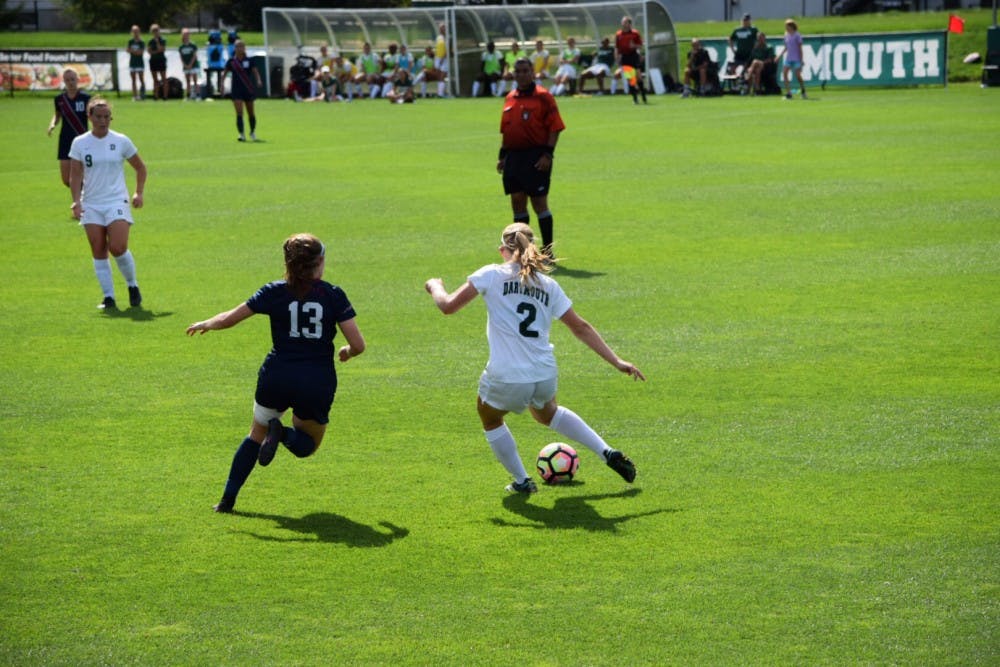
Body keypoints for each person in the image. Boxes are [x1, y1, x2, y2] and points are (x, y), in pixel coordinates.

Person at [424, 223, 644, 493]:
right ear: (531, 248)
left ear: (503, 250)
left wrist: (435, 286)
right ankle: (607, 452)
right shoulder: (548, 285)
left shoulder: (491, 274)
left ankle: (522, 481)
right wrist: (617, 361)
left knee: (489, 415)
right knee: (547, 413)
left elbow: (447, 306)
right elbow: (581, 327)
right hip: (544, 373)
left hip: (507, 375)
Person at [186, 233, 367, 514]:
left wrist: (206, 323)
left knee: (255, 434)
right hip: (315, 380)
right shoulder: (333, 295)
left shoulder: (273, 291)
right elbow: (358, 345)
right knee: (307, 446)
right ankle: (282, 434)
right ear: (320, 262)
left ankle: (226, 500)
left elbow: (229, 318)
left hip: (276, 375)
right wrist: (347, 352)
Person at [68, 98, 147, 310]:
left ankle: (132, 285)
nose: (103, 121)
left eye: (106, 117)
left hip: (116, 201)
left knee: (118, 247)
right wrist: (76, 201)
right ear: (90, 117)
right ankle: (109, 297)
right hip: (91, 203)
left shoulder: (121, 141)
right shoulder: (80, 143)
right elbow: (75, 175)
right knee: (98, 249)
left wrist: (138, 193)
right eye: (98, 117)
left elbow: (141, 168)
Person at [497, 58, 565, 256]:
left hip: (536, 156)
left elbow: (556, 127)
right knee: (517, 201)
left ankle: (548, 251)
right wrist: (502, 156)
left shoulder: (544, 97)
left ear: (532, 72)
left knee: (539, 203)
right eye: (517, 71)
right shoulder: (510, 97)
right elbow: (506, 130)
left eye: (525, 70)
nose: (521, 74)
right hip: (513, 157)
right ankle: (523, 252)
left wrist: (548, 155)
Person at [47, 68, 90, 195]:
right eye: (67, 80)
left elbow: (93, 116)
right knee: (66, 179)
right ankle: (85, 196)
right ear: (64, 81)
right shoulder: (60, 99)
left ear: (78, 80)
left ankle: (80, 204)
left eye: (73, 79)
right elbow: (57, 115)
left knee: (77, 176)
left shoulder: (86, 98)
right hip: (65, 140)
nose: (70, 82)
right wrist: (52, 125)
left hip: (82, 140)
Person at [223, 39, 263, 142]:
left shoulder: (249, 60)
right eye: (238, 46)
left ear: (245, 48)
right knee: (239, 113)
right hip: (236, 90)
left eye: (242, 46)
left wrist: (258, 80)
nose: (240, 48)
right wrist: (221, 85)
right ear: (235, 48)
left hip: (248, 89)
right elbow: (225, 73)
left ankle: (252, 132)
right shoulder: (232, 61)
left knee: (251, 113)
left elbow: (255, 72)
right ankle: (241, 134)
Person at [614, 15, 647, 104]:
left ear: (629, 24)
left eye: (625, 22)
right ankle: (635, 99)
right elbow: (617, 47)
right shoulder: (618, 34)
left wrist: (634, 46)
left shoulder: (635, 33)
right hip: (625, 57)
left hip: (633, 56)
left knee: (638, 77)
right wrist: (617, 57)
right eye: (623, 22)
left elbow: (640, 45)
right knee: (630, 79)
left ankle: (643, 96)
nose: (624, 24)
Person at [728, 12, 758, 90]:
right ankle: (735, 85)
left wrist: (755, 48)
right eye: (744, 20)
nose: (745, 22)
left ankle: (747, 86)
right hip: (739, 53)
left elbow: (758, 39)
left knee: (748, 70)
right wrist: (733, 49)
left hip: (749, 54)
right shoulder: (737, 30)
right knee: (732, 68)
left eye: (747, 20)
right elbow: (730, 39)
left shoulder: (753, 29)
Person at [778, 18, 807, 99]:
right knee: (784, 73)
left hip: (796, 58)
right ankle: (789, 93)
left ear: (791, 26)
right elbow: (786, 47)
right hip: (788, 58)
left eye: (787, 26)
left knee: (798, 75)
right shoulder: (786, 35)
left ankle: (803, 90)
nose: (786, 28)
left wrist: (801, 60)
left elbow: (800, 48)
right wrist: (779, 56)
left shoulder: (797, 35)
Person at [178, 28, 200, 100]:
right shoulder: (181, 47)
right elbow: (181, 57)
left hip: (193, 65)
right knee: (187, 80)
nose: (186, 36)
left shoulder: (193, 45)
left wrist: (190, 64)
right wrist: (185, 65)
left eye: (187, 34)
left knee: (195, 80)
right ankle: (188, 95)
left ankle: (197, 95)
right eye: (185, 34)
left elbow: (194, 56)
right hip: (186, 66)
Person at [147, 24, 167, 101]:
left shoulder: (162, 40)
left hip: (161, 60)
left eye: (156, 31)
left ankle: (165, 96)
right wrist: (156, 51)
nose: (155, 33)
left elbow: (161, 49)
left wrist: (157, 42)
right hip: (153, 61)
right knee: (155, 79)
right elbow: (149, 51)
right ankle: (156, 96)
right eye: (154, 31)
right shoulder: (150, 41)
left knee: (164, 78)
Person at [126, 25, 145, 101]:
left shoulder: (141, 42)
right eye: (134, 31)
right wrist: (135, 52)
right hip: (132, 62)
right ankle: (135, 96)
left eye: (137, 31)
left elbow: (141, 52)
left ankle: (142, 94)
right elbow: (127, 50)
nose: (135, 33)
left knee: (141, 79)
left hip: (140, 63)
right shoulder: (130, 41)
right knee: (133, 80)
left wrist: (132, 51)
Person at [205, 30, 226, 96]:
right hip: (212, 65)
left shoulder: (218, 46)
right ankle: (212, 90)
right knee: (210, 77)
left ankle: (219, 90)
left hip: (218, 65)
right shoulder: (210, 46)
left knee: (220, 78)